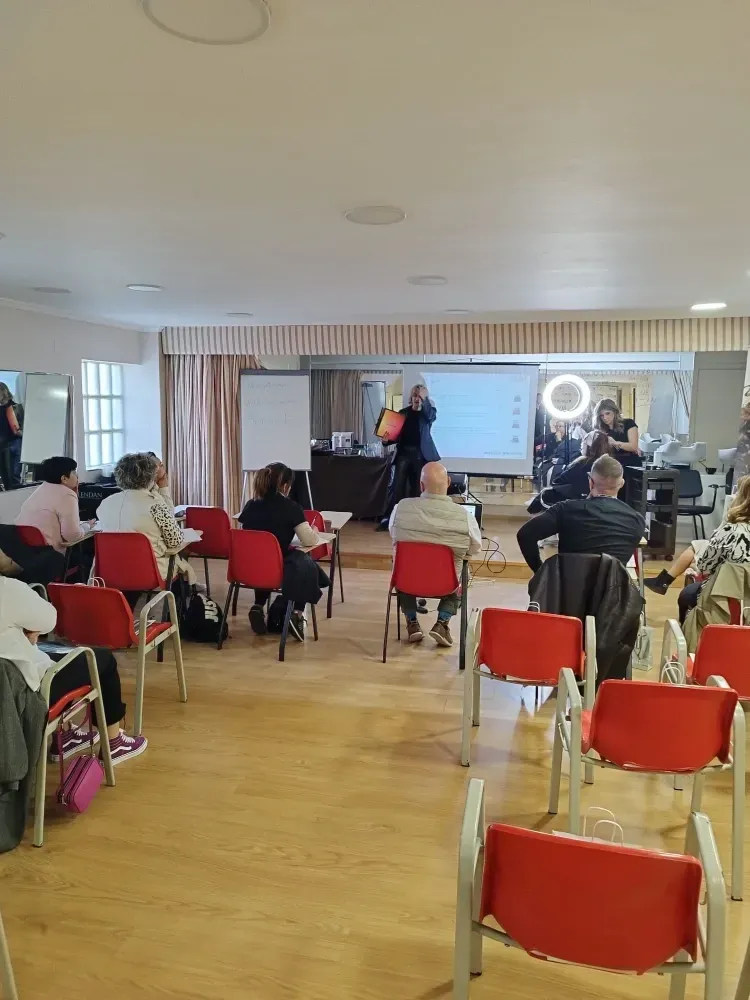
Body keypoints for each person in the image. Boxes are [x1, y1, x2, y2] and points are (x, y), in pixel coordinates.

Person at [0, 574, 147, 763]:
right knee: (102, 659)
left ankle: (66, 735)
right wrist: (28, 628)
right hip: (26, 699)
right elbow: (49, 621)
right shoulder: (7, 589)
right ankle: (114, 743)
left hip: (9, 698)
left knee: (51, 654)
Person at [389, 461, 482, 647]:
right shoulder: (464, 516)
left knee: (402, 566)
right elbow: (475, 548)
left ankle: (412, 622)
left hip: (407, 582)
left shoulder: (400, 508)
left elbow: (394, 534)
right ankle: (442, 623)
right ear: (448, 482)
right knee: (463, 573)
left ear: (421, 485)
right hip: (446, 584)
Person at [238, 462, 329, 640]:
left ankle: (258, 605)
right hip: (277, 568)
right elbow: (309, 540)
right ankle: (296, 612)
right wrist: (315, 532)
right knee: (304, 562)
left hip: (248, 567)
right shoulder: (291, 508)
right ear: (285, 486)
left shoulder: (250, 505)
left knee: (265, 558)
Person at [517, 455, 646, 574]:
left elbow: (525, 535)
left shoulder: (565, 510)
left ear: (590, 481)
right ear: (621, 484)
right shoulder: (636, 520)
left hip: (566, 594)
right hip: (613, 596)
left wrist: (540, 572)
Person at [97, 452, 196, 587]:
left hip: (110, 571)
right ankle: (180, 604)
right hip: (149, 571)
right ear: (150, 475)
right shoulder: (156, 505)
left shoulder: (105, 503)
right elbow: (175, 541)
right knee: (178, 563)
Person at [667, 475, 750, 623]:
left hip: (723, 603)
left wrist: (694, 565)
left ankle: (689, 637)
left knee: (686, 595)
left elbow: (705, 566)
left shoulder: (731, 530)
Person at [376, 383, 439, 530]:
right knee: (397, 488)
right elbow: (393, 436)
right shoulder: (402, 413)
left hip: (420, 455)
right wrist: (386, 440)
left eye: (420, 396)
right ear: (411, 397)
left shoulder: (428, 414)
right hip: (403, 453)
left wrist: (425, 400)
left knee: (417, 489)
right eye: (415, 395)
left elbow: (431, 415)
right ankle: (390, 520)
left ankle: (415, 522)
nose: (417, 398)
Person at [16, 456, 95, 553]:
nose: (77, 476)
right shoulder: (67, 494)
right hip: (49, 555)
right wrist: (87, 526)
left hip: (23, 553)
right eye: (74, 472)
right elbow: (72, 535)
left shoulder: (41, 489)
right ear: (64, 478)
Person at [548, 431, 614, 500]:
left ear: (589, 447)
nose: (581, 444)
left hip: (577, 503)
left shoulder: (582, 464)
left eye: (584, 441)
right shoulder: (611, 465)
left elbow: (558, 482)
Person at [593, 397, 642, 469]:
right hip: (611, 465)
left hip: (630, 464)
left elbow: (634, 446)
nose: (605, 418)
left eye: (607, 413)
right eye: (602, 415)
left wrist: (615, 443)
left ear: (615, 411)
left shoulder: (628, 423)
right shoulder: (601, 430)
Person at [0, 382, 21, 490]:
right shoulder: (12, 407)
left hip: (14, 442)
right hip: (5, 444)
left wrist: (20, 433)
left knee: (13, 475)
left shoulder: (14, 407)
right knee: (7, 475)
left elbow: (20, 426)